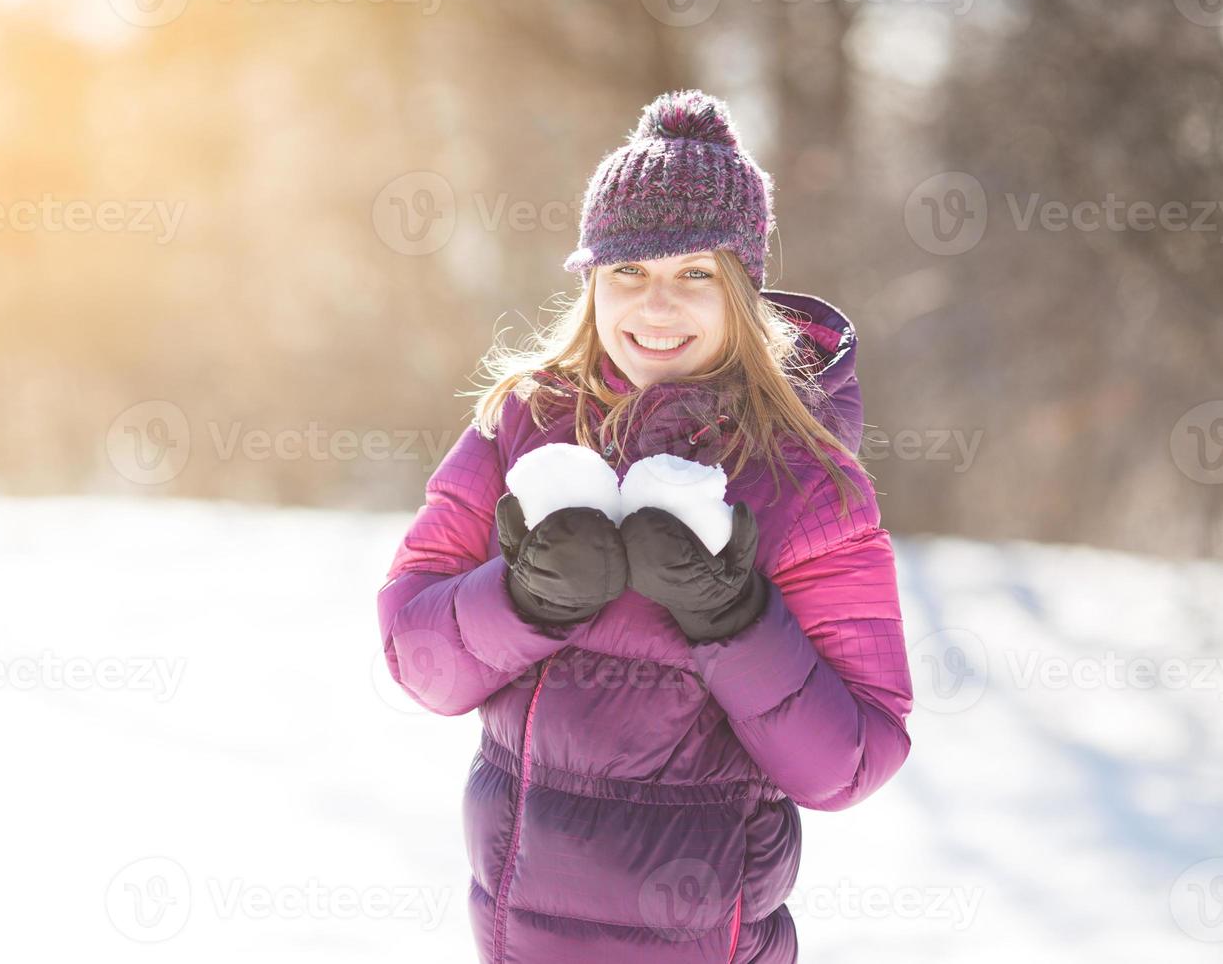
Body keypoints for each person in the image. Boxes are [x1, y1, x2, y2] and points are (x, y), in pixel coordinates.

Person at [376, 88, 914, 963]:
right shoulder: (522, 422)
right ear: (591, 280)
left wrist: (732, 620)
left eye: (693, 274)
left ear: (741, 288)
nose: (655, 307)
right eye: (629, 271)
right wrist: (522, 600)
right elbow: (415, 660)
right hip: (520, 937)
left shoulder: (804, 479)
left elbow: (852, 761)